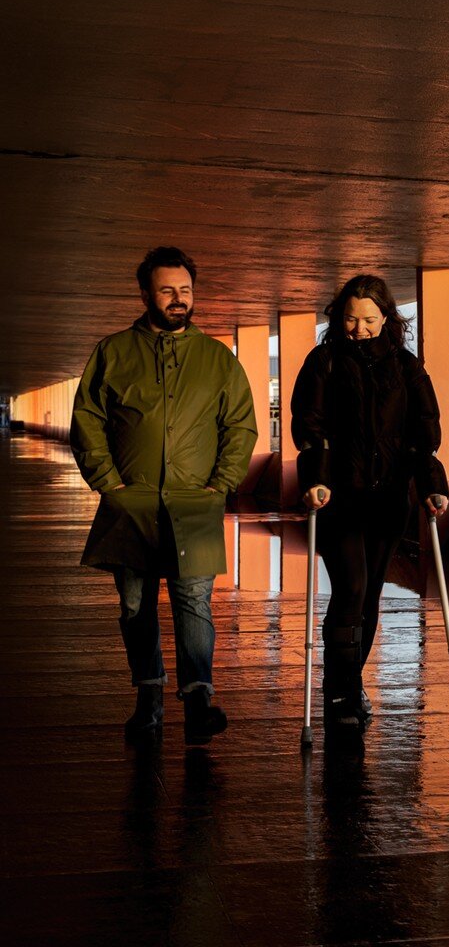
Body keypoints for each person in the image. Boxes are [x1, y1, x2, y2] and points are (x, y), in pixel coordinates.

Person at [71, 246, 258, 745]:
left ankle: (199, 699)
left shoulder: (218, 359)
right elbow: (87, 419)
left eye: (186, 290)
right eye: (168, 290)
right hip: (129, 504)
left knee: (193, 601)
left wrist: (221, 483)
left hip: (194, 503)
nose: (179, 299)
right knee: (135, 605)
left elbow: (240, 425)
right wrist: (107, 482)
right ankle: (148, 697)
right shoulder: (113, 351)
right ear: (146, 294)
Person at [290, 274, 449, 732]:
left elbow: (424, 437)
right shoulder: (324, 362)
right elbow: (310, 428)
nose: (358, 328)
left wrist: (432, 486)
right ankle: (339, 691)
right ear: (338, 317)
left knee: (371, 594)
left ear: (387, 318)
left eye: (368, 320)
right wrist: (316, 480)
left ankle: (352, 680)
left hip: (388, 500)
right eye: (350, 319)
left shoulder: (407, 367)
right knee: (351, 589)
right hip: (338, 498)